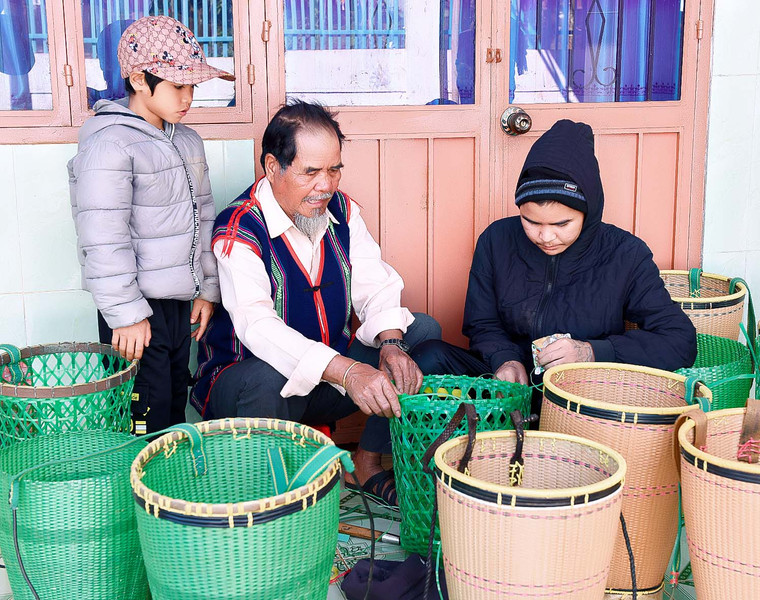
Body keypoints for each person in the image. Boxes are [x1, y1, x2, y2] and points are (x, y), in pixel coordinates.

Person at [192, 101, 442, 507]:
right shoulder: (240, 229)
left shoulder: (341, 210)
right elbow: (257, 327)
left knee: (422, 333)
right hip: (251, 391)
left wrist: (392, 344)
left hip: (325, 381)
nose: (326, 185)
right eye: (311, 172)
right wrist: (350, 372)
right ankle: (267, 501)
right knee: (266, 376)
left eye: (334, 169)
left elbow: (373, 282)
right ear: (273, 167)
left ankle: (367, 462)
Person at [412, 119, 697, 396]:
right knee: (428, 357)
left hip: (581, 391)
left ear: (589, 211)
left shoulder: (626, 254)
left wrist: (591, 351)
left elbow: (679, 340)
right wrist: (505, 359)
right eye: (531, 222)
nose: (546, 237)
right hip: (510, 384)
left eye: (562, 224)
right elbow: (482, 323)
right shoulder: (496, 240)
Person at [69, 15, 235, 434]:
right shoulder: (110, 143)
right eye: (178, 85)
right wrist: (125, 315)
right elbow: (103, 237)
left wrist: (206, 289)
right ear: (140, 80)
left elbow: (204, 218)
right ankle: (139, 499)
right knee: (146, 414)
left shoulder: (187, 140)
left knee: (174, 402)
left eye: (192, 86)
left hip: (180, 305)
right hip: (135, 310)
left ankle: (169, 493)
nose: (188, 98)